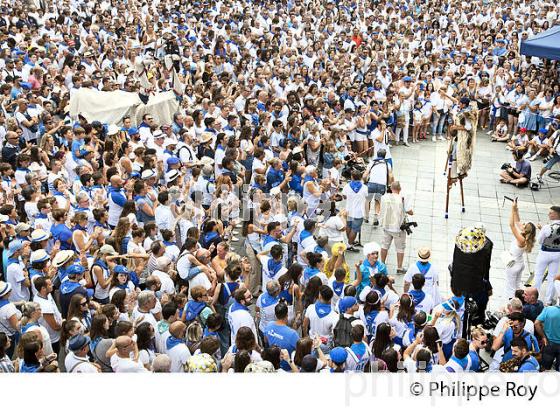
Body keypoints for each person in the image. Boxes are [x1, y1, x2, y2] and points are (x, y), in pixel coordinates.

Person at [503, 200, 536, 300]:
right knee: (517, 286)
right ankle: (520, 301)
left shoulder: (521, 239)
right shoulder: (526, 238)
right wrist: (515, 209)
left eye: (524, 224)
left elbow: (512, 225)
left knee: (510, 288)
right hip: (520, 263)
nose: (522, 224)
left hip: (513, 264)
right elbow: (517, 221)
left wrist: (512, 210)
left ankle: (512, 304)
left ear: (525, 229)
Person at [379, 181, 413, 274]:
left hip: (386, 225)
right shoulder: (401, 199)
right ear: (400, 189)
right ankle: (399, 267)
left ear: (391, 188)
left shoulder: (384, 197)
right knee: (400, 248)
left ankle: (382, 264)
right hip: (398, 227)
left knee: (384, 246)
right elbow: (409, 210)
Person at [534, 206, 560, 305]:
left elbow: (539, 241)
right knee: (552, 277)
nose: (549, 214)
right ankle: (548, 300)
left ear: (556, 214)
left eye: (551, 213)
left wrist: (542, 230)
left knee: (538, 275)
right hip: (557, 253)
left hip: (544, 252)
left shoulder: (547, 227)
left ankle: (535, 298)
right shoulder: (547, 227)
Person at [535, 303, 560, 371]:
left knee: (544, 368)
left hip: (549, 343)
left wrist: (543, 337)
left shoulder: (548, 309)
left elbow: (537, 323)